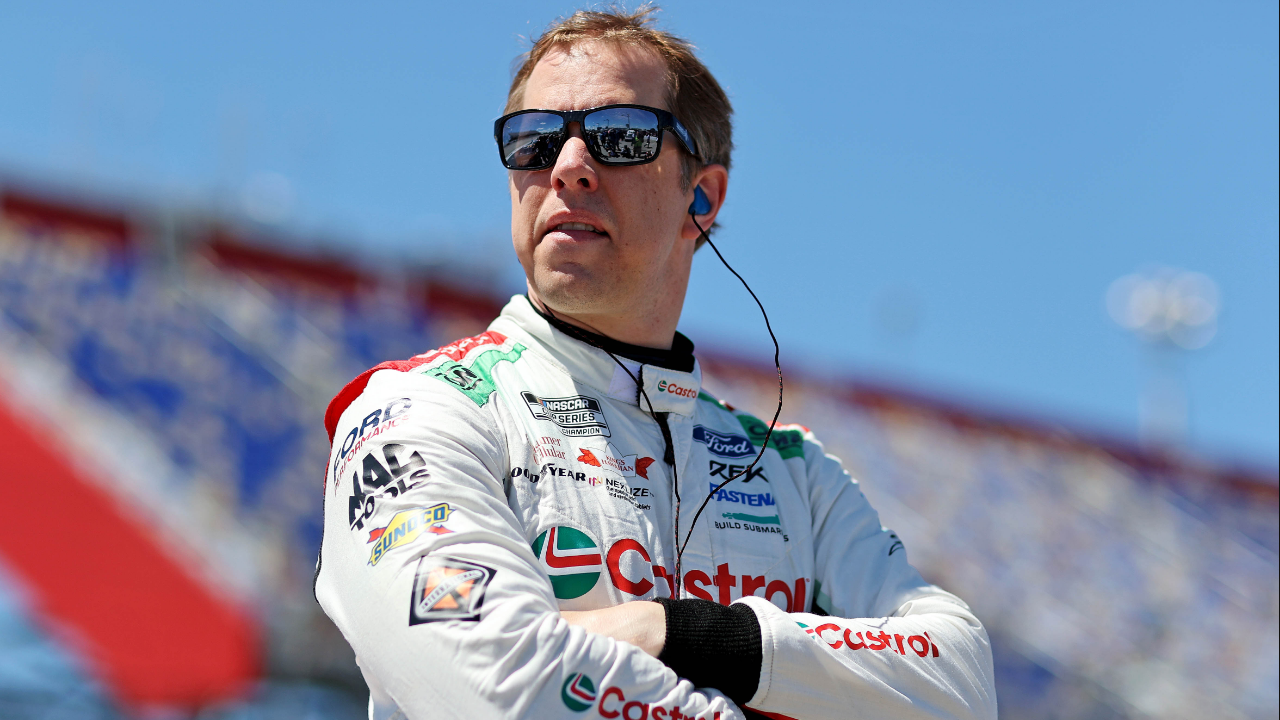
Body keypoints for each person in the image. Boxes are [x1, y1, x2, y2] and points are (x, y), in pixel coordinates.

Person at [315, 7, 997, 720]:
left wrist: (680, 631)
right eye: (534, 142)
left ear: (701, 196)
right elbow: (496, 683)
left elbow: (962, 687)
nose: (569, 167)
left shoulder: (794, 472)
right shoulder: (420, 411)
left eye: (619, 138)